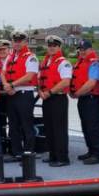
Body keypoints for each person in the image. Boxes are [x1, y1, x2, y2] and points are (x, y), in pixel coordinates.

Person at [3, 30, 39, 160]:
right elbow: (3, 72)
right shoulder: (10, 57)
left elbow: (29, 76)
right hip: (11, 94)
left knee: (26, 125)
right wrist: (6, 85)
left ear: (25, 42)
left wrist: (12, 85)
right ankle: (16, 152)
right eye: (15, 41)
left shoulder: (31, 57)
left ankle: (29, 153)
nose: (17, 43)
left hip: (24, 94)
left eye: (20, 41)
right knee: (13, 126)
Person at [38, 35, 72, 167]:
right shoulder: (45, 62)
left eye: (54, 46)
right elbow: (41, 79)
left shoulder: (64, 63)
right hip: (46, 98)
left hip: (58, 98)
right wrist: (41, 91)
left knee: (59, 129)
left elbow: (66, 81)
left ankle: (63, 158)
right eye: (49, 46)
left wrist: (50, 92)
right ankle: (53, 155)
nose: (51, 48)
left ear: (59, 47)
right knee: (49, 128)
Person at [70, 40, 99, 165]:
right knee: (85, 127)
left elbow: (92, 83)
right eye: (80, 49)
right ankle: (90, 151)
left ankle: (97, 154)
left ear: (91, 49)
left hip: (92, 99)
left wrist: (77, 93)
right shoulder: (80, 63)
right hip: (83, 99)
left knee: (93, 127)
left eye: (84, 49)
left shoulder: (95, 64)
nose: (82, 51)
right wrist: (72, 91)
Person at [0, 39, 12, 146]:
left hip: (11, 94)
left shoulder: (13, 60)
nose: (2, 51)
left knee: (13, 121)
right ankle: (1, 145)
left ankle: (12, 145)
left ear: (8, 49)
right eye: (0, 49)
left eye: (4, 49)